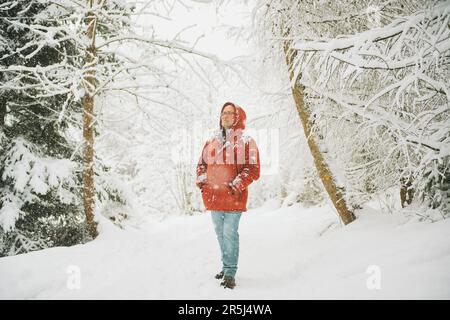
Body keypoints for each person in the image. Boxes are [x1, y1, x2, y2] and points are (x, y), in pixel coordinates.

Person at [196, 102, 260, 289]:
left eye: (230, 113)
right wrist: (202, 181)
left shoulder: (247, 141)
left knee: (229, 233)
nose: (225, 116)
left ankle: (230, 272)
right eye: (223, 113)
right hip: (213, 196)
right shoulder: (211, 141)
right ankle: (225, 266)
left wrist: (237, 184)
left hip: (234, 196)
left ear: (238, 117)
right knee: (220, 234)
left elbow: (253, 169)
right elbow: (201, 164)